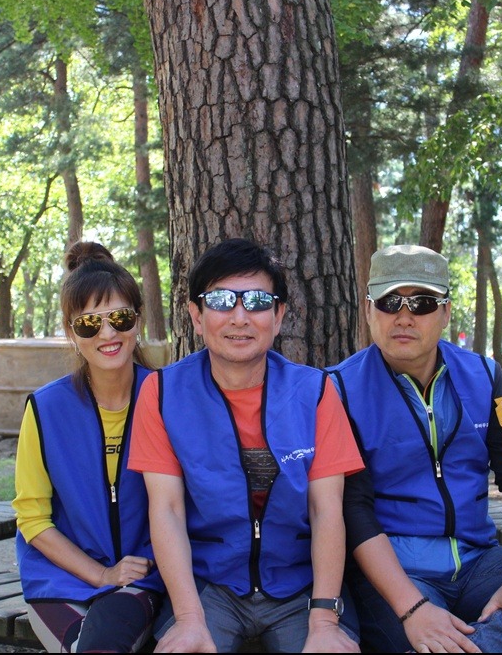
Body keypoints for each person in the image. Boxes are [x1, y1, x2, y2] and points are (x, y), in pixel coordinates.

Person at [328, 244, 502, 653]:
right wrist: (414, 610)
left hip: (479, 565)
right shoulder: (338, 390)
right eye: (389, 302)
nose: (404, 317)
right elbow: (353, 511)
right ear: (369, 310)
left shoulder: (486, 377)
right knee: (410, 631)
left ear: (445, 312)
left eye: (422, 303)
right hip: (395, 578)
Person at [128, 238, 365, 653]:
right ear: (196, 316)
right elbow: (167, 510)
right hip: (208, 586)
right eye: (221, 301)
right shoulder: (163, 393)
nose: (240, 317)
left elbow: (326, 510)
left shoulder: (315, 392)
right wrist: (188, 618)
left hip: (301, 585)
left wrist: (325, 620)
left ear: (278, 316)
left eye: (257, 301)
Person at [12, 242, 164, 653]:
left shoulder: (166, 399)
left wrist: (122, 574)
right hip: (59, 577)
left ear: (138, 319)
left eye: (120, 318)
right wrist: (99, 575)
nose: (108, 334)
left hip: (140, 575)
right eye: (89, 324)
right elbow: (33, 519)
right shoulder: (46, 408)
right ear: (70, 332)